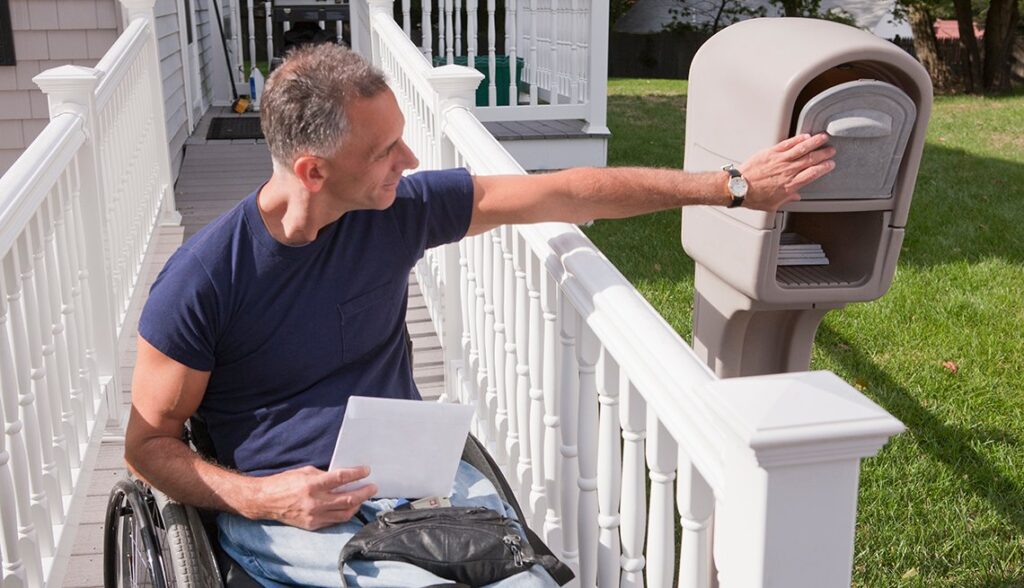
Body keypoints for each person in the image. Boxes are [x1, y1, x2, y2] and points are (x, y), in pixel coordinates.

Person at [124, 43, 835, 587]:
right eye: (384, 151)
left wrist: (732, 186)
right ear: (313, 170)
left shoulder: (396, 211)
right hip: (287, 507)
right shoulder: (203, 281)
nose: (409, 157)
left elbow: (566, 191)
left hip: (409, 474)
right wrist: (264, 497)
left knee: (522, 577)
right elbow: (147, 445)